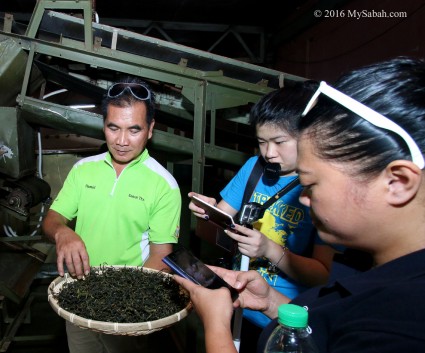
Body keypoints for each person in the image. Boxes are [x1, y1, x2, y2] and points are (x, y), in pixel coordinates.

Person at [175, 56, 425, 353]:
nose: (303, 198)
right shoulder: (368, 282)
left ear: (397, 182)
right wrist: (269, 300)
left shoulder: (395, 326)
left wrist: (215, 323)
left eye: (310, 183)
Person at [42, 77, 181, 353]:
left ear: (150, 129)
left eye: (134, 130)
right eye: (113, 127)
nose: (121, 141)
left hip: (127, 309)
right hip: (78, 298)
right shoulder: (83, 170)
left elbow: (160, 257)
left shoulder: (163, 185)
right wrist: (63, 233)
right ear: (103, 125)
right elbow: (52, 219)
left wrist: (122, 303)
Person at [189, 81, 338, 331]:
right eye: (262, 142)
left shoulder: (323, 187)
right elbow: (215, 227)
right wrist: (208, 213)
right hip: (240, 306)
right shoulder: (254, 168)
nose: (269, 153)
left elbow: (324, 274)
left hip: (287, 316)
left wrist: (269, 249)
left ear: (310, 136)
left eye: (279, 142)